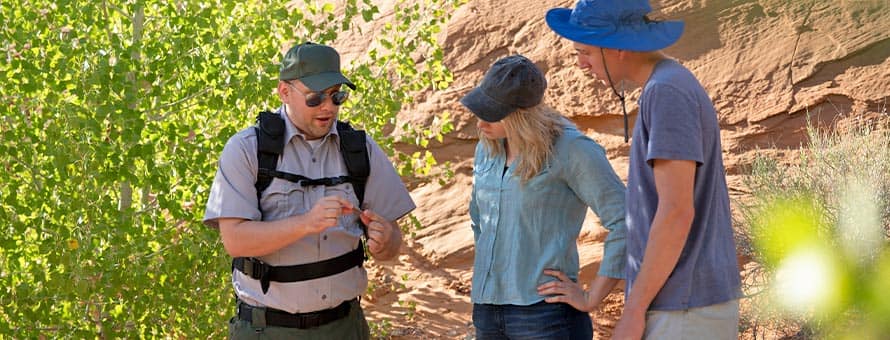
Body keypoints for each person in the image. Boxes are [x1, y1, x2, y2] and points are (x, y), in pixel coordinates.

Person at [546, 1, 743, 339]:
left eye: (586, 52)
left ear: (618, 48)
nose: (580, 64)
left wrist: (634, 312)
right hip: (684, 305)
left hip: (684, 309)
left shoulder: (666, 92)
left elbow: (676, 212)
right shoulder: (668, 85)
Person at [203, 42, 415, 339]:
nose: (328, 107)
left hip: (344, 327)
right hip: (267, 330)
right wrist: (305, 224)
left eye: (337, 95)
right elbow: (235, 241)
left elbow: (393, 243)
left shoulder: (360, 148)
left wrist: (386, 241)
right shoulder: (247, 150)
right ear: (284, 92)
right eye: (315, 98)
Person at [461, 54, 627, 339]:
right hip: (487, 311)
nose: (480, 122)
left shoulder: (571, 149)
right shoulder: (487, 148)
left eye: (490, 112)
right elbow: (480, 221)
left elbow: (626, 220)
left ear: (520, 114)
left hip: (546, 316)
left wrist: (592, 297)